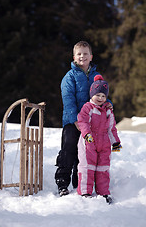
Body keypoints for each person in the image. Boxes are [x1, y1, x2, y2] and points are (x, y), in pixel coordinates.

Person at [55, 40, 112, 197]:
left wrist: (109, 104)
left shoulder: (96, 76)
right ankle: (62, 182)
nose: (82, 56)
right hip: (72, 122)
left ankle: (78, 181)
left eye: (85, 54)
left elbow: (102, 95)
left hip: (92, 123)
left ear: (91, 56)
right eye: (79, 54)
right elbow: (68, 99)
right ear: (74, 57)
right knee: (69, 149)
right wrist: (74, 120)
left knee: (87, 152)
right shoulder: (69, 77)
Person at [77, 75, 122, 204]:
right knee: (87, 167)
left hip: (104, 143)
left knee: (103, 168)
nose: (101, 98)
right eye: (98, 95)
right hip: (89, 142)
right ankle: (85, 192)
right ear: (92, 94)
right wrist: (86, 134)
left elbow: (111, 128)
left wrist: (115, 142)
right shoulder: (88, 108)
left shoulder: (108, 111)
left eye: (103, 96)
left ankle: (103, 193)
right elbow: (83, 121)